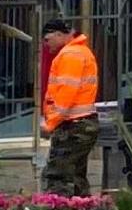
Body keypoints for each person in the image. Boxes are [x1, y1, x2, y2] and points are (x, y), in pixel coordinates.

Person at [39, 24, 102, 191]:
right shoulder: (81, 52)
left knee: (57, 177)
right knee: (75, 177)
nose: (46, 44)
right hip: (82, 124)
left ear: (59, 35)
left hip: (73, 126)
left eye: (47, 39)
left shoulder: (70, 55)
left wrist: (50, 123)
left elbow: (66, 94)